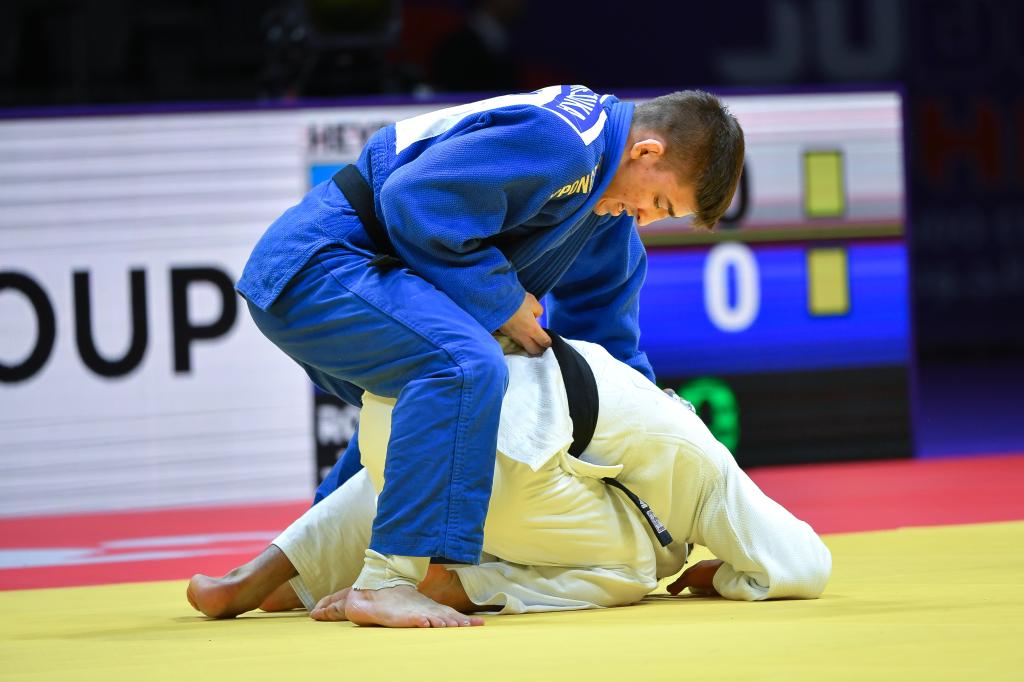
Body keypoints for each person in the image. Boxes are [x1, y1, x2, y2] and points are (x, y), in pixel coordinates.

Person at [236, 85, 745, 627]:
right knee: (464, 366)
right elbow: (413, 198)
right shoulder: (567, 140)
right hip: (324, 263)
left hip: (365, 279)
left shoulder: (606, 209)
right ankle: (390, 581)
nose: (645, 218)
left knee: (422, 407)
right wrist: (502, 300)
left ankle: (278, 573)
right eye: (660, 203)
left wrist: (658, 435)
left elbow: (608, 355)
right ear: (646, 152)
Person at [187, 336, 831, 626]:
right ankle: (461, 585)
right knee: (634, 572)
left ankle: (258, 580)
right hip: (512, 465)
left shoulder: (614, 377)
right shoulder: (704, 461)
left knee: (398, 480)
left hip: (404, 408)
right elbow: (806, 564)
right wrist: (723, 574)